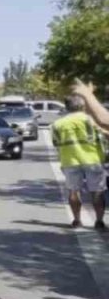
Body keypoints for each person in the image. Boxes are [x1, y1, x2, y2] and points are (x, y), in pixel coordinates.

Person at [50, 93, 106, 229]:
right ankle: (99, 221)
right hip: (93, 159)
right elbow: (103, 137)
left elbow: (56, 143)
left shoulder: (57, 124)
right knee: (97, 191)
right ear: (82, 105)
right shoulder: (91, 120)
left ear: (67, 107)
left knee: (73, 191)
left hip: (70, 161)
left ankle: (77, 220)